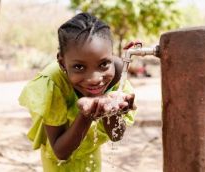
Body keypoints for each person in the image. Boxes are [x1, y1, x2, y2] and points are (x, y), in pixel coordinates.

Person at [19, 13, 136, 172]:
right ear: (62, 63)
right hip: (58, 163)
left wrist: (113, 110)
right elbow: (61, 152)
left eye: (103, 64)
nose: (94, 79)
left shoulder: (116, 75)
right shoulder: (53, 84)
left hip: (90, 150)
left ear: (111, 55)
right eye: (79, 67)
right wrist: (87, 114)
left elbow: (116, 135)